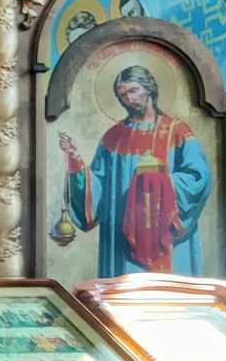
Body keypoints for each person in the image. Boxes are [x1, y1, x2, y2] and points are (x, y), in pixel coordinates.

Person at [57, 65, 213, 275]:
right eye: (122, 95)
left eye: (133, 90)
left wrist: (160, 183)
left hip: (168, 239)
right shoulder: (113, 137)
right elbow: (98, 190)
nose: (128, 99)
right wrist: (75, 159)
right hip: (122, 241)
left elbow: (199, 179)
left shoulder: (177, 131)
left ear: (148, 88)